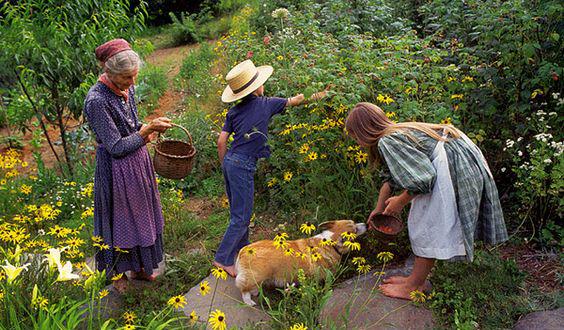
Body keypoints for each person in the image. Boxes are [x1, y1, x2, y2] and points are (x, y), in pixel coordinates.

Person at [345, 102, 508, 300]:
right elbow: (390, 177)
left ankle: (413, 286)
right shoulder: (396, 131)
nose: (356, 142)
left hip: (448, 166)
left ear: (362, 132)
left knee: (425, 224)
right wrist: (378, 209)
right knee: (427, 222)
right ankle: (415, 279)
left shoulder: (387, 141)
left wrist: (400, 201)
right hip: (458, 158)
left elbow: (423, 179)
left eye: (354, 137)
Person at [214, 60, 328, 277]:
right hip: (243, 165)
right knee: (242, 216)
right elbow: (296, 101)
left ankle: (241, 249)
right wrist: (320, 94)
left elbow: (221, 142)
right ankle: (223, 259)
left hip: (230, 162)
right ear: (257, 87)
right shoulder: (266, 103)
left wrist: (225, 165)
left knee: (238, 211)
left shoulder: (233, 112)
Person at [84, 39, 172, 293]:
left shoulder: (127, 89)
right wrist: (146, 131)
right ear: (109, 73)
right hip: (115, 169)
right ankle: (117, 274)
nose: (132, 83)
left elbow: (132, 125)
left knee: (142, 217)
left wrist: (146, 129)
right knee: (118, 222)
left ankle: (141, 266)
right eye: (126, 78)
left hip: (137, 162)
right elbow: (116, 147)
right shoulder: (96, 101)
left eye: (134, 76)